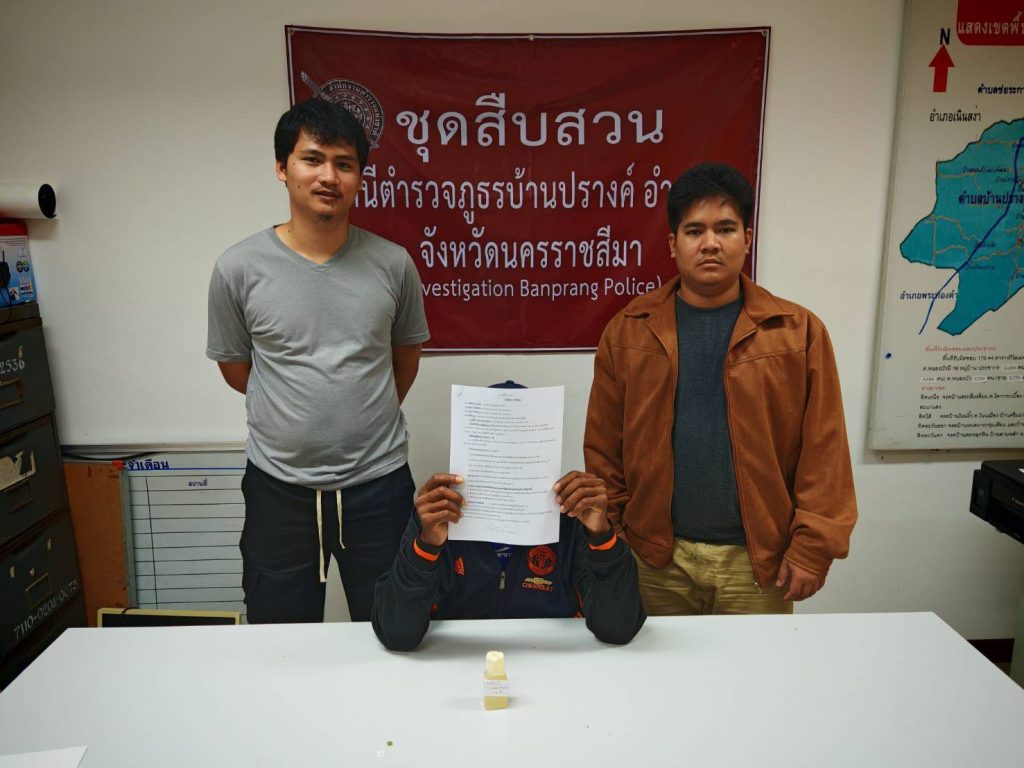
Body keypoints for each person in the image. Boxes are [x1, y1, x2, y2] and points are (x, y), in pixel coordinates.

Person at [584, 162, 857, 616]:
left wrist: (813, 548)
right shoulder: (629, 330)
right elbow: (603, 447)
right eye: (694, 231)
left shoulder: (796, 332)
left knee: (756, 667)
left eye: (725, 229)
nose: (710, 243)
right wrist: (615, 536)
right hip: (655, 561)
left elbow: (825, 451)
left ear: (747, 239)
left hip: (758, 563)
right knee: (653, 666)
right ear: (672, 244)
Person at [206, 98, 429, 623]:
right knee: (280, 637)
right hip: (278, 490)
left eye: (344, 163)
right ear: (282, 168)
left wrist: (356, 411)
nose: (329, 176)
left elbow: (404, 362)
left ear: (359, 177)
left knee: (394, 629)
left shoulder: (393, 265)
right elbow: (237, 369)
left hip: (378, 486)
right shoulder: (238, 269)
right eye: (312, 159)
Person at [372, 469, 646, 651]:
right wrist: (427, 545)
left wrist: (601, 534)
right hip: (458, 666)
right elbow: (397, 634)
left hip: (556, 667)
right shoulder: (440, 518)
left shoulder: (571, 517)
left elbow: (617, 628)